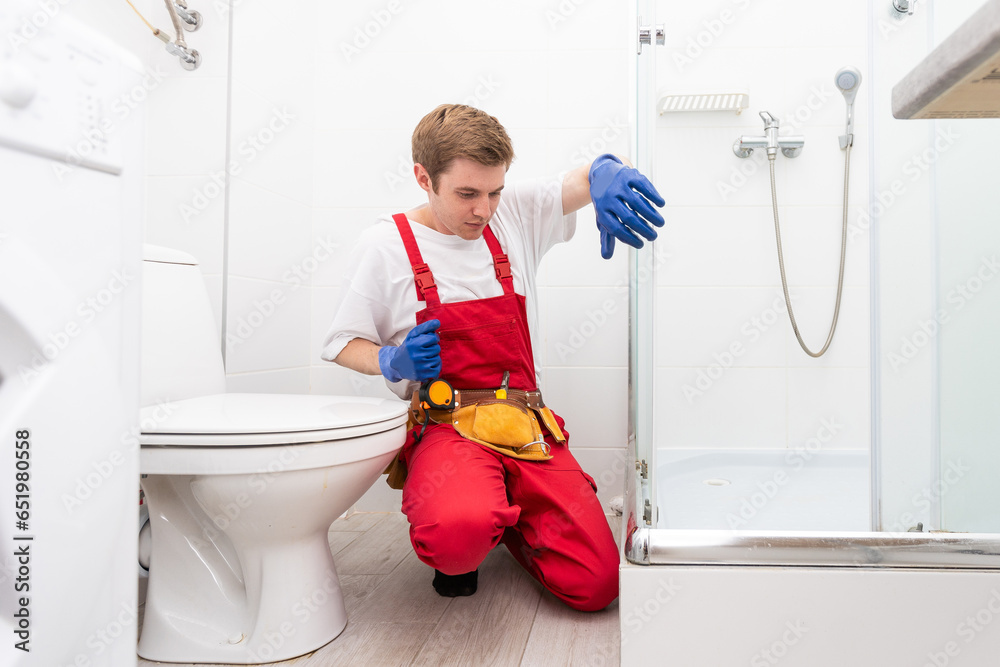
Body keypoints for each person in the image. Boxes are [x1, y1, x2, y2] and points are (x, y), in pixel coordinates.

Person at [321, 104, 664, 612]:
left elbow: (581, 179)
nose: (484, 210)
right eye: (467, 194)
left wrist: (608, 170)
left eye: (494, 191)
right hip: (448, 426)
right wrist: (392, 361)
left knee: (597, 586)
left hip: (525, 423)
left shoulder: (513, 214)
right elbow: (342, 344)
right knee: (455, 542)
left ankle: (510, 522)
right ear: (424, 178)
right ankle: (473, 522)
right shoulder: (384, 245)